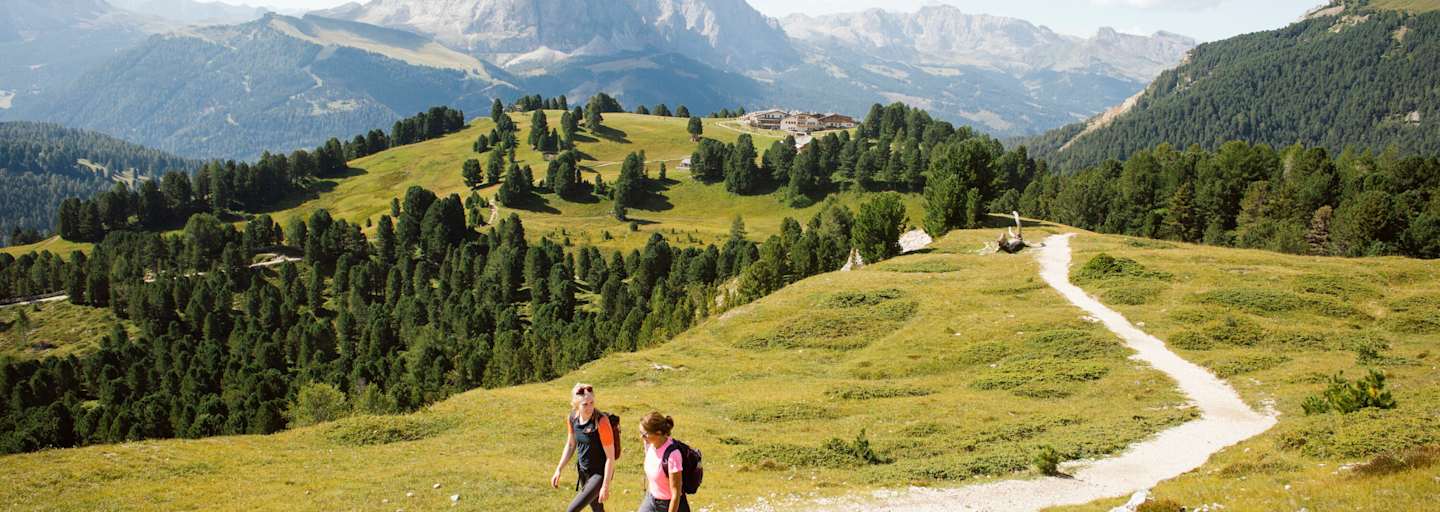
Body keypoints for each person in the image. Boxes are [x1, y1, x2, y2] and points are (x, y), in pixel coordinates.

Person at [552, 383, 616, 512]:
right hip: (583, 471)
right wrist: (559, 469)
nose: (589, 407)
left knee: (571, 510)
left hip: (599, 474)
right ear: (576, 405)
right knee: (597, 509)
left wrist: (605, 485)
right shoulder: (572, 418)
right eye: (585, 404)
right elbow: (571, 445)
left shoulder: (601, 422)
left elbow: (610, 457)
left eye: (592, 403)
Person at [638, 412, 689, 512]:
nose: (641, 437)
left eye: (645, 434)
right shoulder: (650, 445)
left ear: (658, 433)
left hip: (670, 504)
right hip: (651, 499)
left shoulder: (673, 455)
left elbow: (676, 494)